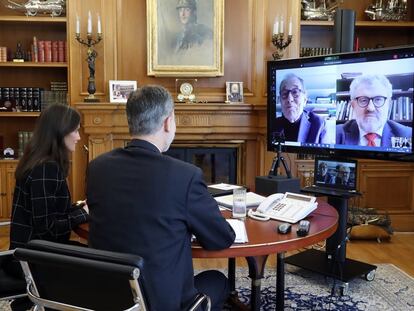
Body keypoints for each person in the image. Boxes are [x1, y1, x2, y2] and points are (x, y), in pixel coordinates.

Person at [86, 85, 235, 311]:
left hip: (107, 297)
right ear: (168, 121)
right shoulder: (185, 176)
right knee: (219, 281)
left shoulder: (97, 168)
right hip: (163, 304)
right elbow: (221, 238)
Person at [3, 104, 89, 310]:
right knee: (98, 264)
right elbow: (48, 228)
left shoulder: (41, 162)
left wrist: (81, 209)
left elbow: (53, 213)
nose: (79, 137)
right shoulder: (46, 169)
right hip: (32, 259)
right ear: (60, 132)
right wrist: (83, 214)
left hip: (31, 252)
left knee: (92, 257)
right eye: (76, 130)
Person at [336, 74, 412, 147]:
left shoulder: (407, 135)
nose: (371, 108)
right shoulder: (336, 134)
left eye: (378, 99)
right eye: (363, 100)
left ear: (388, 104)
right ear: (353, 105)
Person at [272, 73, 327, 143]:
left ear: (305, 100)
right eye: (285, 93)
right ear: (280, 100)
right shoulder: (273, 125)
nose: (289, 99)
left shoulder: (319, 124)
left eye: (295, 92)